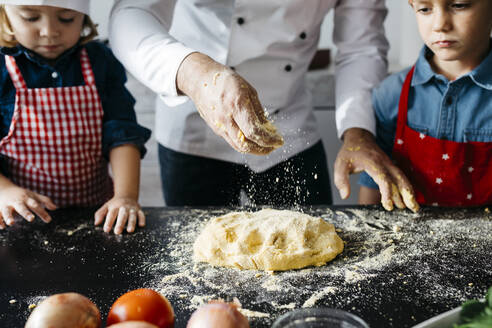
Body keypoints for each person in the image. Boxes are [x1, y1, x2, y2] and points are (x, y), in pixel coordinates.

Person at [109, 0, 418, 210]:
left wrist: (358, 132)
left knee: (312, 263)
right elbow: (131, 14)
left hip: (291, 127)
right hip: (195, 125)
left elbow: (361, 47)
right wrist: (195, 74)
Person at [0, 0, 151, 234]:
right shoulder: (3, 68)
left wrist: (126, 196)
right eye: (30, 17)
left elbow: (122, 133)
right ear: (5, 14)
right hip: (21, 216)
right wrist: (4, 190)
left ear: (84, 16)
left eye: (67, 18)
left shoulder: (100, 61)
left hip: (97, 214)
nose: (49, 31)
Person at [359, 0, 492, 208]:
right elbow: (373, 188)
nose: (440, 24)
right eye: (425, 9)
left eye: (459, 5)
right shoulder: (391, 95)